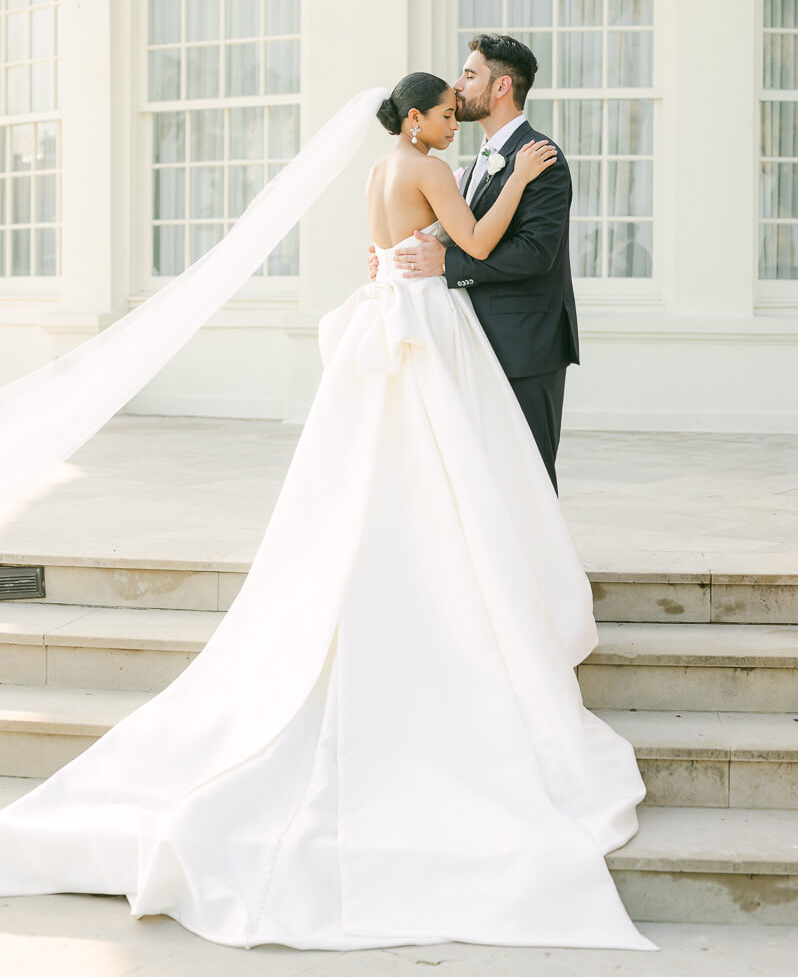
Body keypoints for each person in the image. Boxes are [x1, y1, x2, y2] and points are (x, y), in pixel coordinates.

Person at [0, 75, 655, 954]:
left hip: (395, 311)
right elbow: (473, 239)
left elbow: (387, 257)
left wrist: (423, 254)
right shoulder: (424, 169)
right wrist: (525, 185)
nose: (453, 125)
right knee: (449, 471)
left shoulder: (381, 170)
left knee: (394, 471)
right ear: (416, 118)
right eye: (443, 114)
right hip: (424, 322)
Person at [369, 35, 577, 493]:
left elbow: (535, 254)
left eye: (469, 74)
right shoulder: (471, 163)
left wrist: (446, 263)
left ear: (501, 86)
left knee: (528, 478)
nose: (457, 87)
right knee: (481, 477)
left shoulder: (541, 159)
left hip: (525, 343)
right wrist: (395, 256)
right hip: (469, 337)